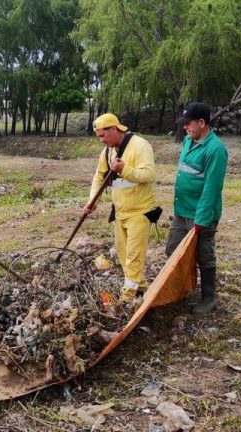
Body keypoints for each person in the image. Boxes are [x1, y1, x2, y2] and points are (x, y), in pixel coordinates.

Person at [83, 113, 157, 303]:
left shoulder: (140, 145)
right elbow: (99, 178)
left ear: (114, 129)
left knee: (133, 256)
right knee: (124, 255)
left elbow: (148, 174)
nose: (101, 140)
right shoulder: (107, 152)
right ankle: (140, 287)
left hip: (140, 211)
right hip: (120, 212)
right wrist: (93, 201)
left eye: (103, 136)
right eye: (98, 136)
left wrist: (125, 169)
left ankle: (126, 297)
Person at [165, 102, 228, 315]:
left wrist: (202, 220)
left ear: (202, 123)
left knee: (204, 255)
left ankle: (208, 299)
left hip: (201, 216)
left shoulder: (216, 150)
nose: (185, 127)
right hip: (182, 211)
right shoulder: (188, 142)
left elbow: (212, 188)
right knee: (173, 249)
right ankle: (183, 288)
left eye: (189, 123)